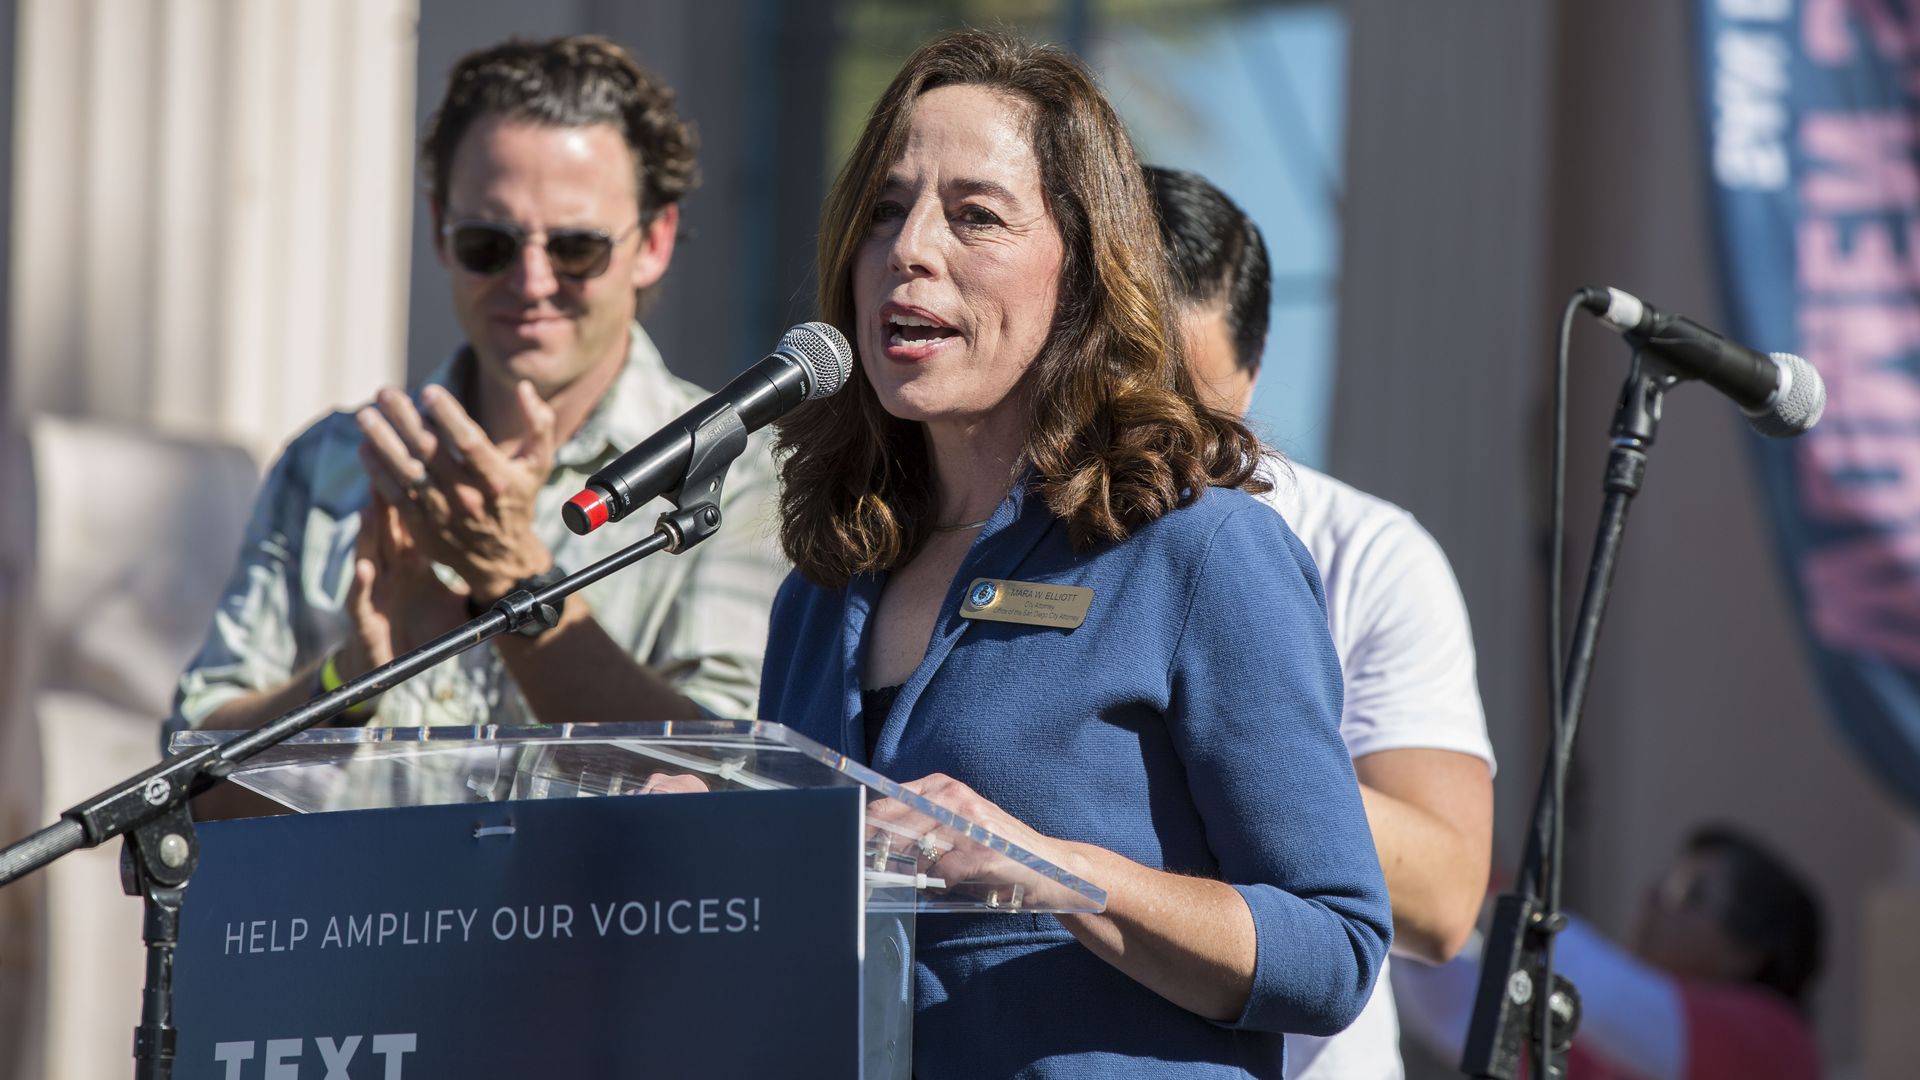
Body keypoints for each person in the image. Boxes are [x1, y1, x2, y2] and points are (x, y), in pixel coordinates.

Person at [757, 30, 1391, 1079]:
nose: (910, 248)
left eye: (974, 216)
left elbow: (1333, 949)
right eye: (883, 210)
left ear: (1085, 273)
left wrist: (1046, 870)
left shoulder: (1199, 556)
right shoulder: (821, 591)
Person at [165, 36, 786, 742]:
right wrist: (351, 680)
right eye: (487, 244)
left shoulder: (745, 473)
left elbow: (730, 772)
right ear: (438, 230)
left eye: (576, 246)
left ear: (653, 241)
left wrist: (513, 579)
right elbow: (187, 778)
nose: (531, 283)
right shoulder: (330, 460)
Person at [1144, 165, 1496, 1080]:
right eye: (1127, 395)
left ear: (1254, 373)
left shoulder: (1371, 553)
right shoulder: (978, 532)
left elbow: (1446, 898)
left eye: (1196, 404)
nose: (1162, 442)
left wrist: (1209, 744)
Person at [1394, 824, 1825, 1080]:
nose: (1655, 897)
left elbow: (1605, 998)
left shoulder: (1774, 1039)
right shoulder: (1620, 1040)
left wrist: (1476, 878)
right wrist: (1414, 895)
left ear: (1747, 952)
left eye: (1691, 895)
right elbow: (1463, 1017)